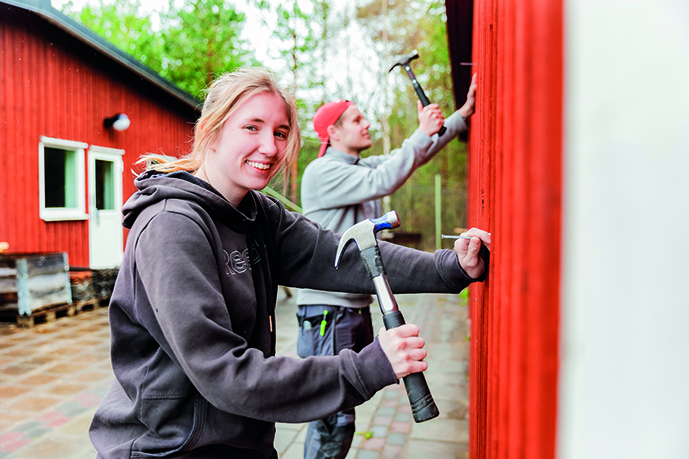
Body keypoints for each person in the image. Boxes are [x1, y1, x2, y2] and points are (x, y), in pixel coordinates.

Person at [89, 68, 490, 459]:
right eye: (252, 127)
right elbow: (225, 375)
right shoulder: (171, 226)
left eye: (280, 132)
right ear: (211, 130)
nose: (270, 146)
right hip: (168, 448)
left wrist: (452, 268)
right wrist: (369, 366)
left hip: (241, 443)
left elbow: (346, 255)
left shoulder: (257, 212)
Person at [297, 75, 479, 459]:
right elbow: (386, 177)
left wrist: (457, 119)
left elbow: (407, 158)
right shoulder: (323, 171)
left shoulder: (356, 167)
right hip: (329, 311)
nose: (367, 125)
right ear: (334, 131)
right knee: (333, 420)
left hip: (353, 307)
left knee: (343, 417)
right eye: (358, 119)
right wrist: (418, 134)